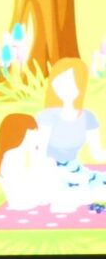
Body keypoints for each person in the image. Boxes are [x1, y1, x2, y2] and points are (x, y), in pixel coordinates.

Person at [36, 58, 106, 191]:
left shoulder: (88, 118)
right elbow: (40, 154)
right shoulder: (47, 116)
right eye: (58, 82)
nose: (62, 87)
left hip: (75, 170)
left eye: (68, 82)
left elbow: (97, 153)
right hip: (50, 172)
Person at [0, 113, 74, 211]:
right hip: (25, 201)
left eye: (35, 132)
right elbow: (24, 185)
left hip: (24, 200)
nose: (35, 138)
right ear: (18, 135)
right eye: (31, 134)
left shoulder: (17, 154)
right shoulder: (12, 156)